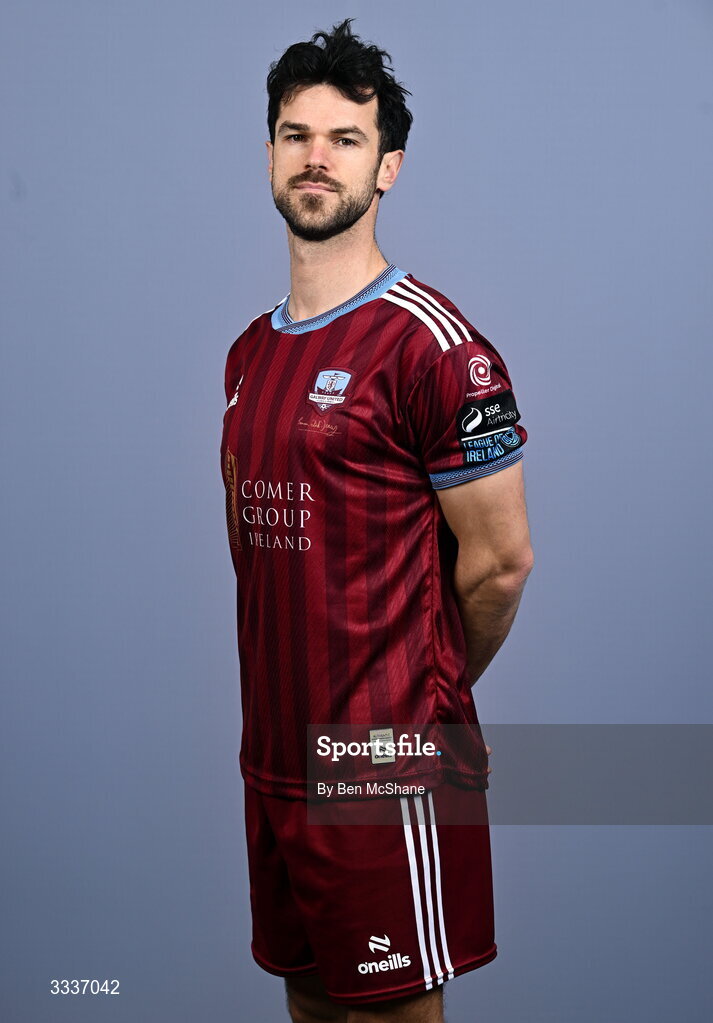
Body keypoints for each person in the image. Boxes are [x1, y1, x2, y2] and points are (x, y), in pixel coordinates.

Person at [221, 19, 533, 1023]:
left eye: (344, 139)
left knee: (390, 1014)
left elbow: (498, 566)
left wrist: (415, 704)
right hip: (270, 757)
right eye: (294, 134)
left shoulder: (436, 349)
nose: (315, 158)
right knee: (307, 1002)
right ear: (269, 153)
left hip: (384, 765)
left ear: (386, 167)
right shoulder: (245, 357)